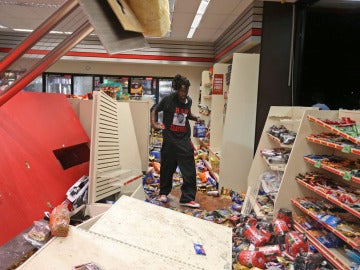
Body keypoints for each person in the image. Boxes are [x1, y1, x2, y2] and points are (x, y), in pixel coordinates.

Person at [151, 74, 203, 208]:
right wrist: (155, 123)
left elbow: (187, 114)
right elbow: (155, 109)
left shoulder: (189, 101)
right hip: (169, 140)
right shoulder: (168, 100)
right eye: (181, 90)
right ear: (176, 89)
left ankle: (187, 198)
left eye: (186, 91)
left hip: (184, 140)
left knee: (189, 170)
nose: (184, 93)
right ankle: (163, 193)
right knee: (167, 168)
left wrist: (196, 118)